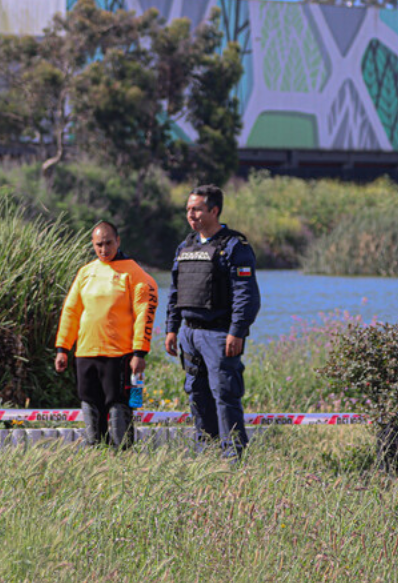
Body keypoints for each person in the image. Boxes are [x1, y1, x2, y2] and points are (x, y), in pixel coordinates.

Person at [164, 184, 261, 459]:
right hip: (189, 334)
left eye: (197, 209)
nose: (191, 215)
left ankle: (233, 459)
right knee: (197, 396)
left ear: (214, 210)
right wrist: (171, 328)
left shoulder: (234, 247)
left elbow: (247, 295)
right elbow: (175, 291)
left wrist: (237, 331)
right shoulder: (186, 246)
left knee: (225, 396)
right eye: (188, 210)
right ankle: (205, 456)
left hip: (219, 335)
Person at [55, 222, 158, 449]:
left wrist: (140, 352)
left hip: (119, 354)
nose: (104, 249)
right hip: (86, 353)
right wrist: (63, 348)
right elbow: (71, 310)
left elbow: (145, 315)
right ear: (93, 245)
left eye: (108, 243)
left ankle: (123, 457)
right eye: (99, 245)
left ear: (118, 241)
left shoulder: (135, 274)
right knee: (90, 403)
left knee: (118, 404)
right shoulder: (86, 272)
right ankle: (95, 454)